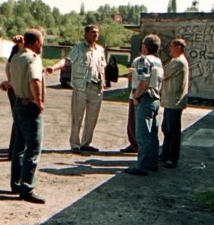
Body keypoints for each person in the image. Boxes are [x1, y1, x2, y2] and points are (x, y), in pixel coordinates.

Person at [46, 25, 107, 154]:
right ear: (86, 34)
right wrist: (54, 67)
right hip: (81, 87)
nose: (95, 35)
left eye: (97, 33)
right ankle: (75, 144)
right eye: (93, 32)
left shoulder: (100, 50)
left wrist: (104, 83)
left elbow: (102, 67)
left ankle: (86, 143)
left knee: (92, 118)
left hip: (96, 87)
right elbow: (67, 61)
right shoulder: (78, 48)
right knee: (77, 117)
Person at [9, 28, 46, 204]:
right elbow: (35, 81)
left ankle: (16, 183)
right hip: (29, 105)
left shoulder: (17, 57)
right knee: (33, 147)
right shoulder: (33, 59)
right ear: (37, 42)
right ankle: (27, 188)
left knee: (19, 146)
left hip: (18, 103)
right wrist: (39, 102)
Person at [124, 34, 164, 176]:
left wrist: (136, 95)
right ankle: (153, 162)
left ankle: (142, 165)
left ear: (145, 46)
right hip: (156, 99)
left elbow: (144, 80)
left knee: (142, 135)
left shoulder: (144, 60)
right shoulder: (158, 61)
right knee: (153, 134)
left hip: (145, 99)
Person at [159, 38, 189, 168]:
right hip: (170, 101)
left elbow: (163, 73)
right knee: (166, 128)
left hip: (174, 102)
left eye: (171, 47)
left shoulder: (178, 62)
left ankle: (172, 157)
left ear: (178, 47)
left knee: (173, 131)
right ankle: (165, 154)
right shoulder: (176, 61)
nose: (169, 49)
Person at [0, 35, 24, 158]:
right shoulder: (20, 50)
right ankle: (16, 152)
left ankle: (15, 151)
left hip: (16, 88)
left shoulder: (23, 50)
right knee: (20, 120)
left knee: (19, 120)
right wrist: (11, 82)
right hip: (19, 90)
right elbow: (9, 66)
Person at [120, 59, 139, 154]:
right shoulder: (157, 61)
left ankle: (134, 144)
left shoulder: (138, 61)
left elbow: (130, 77)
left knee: (132, 121)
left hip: (136, 94)